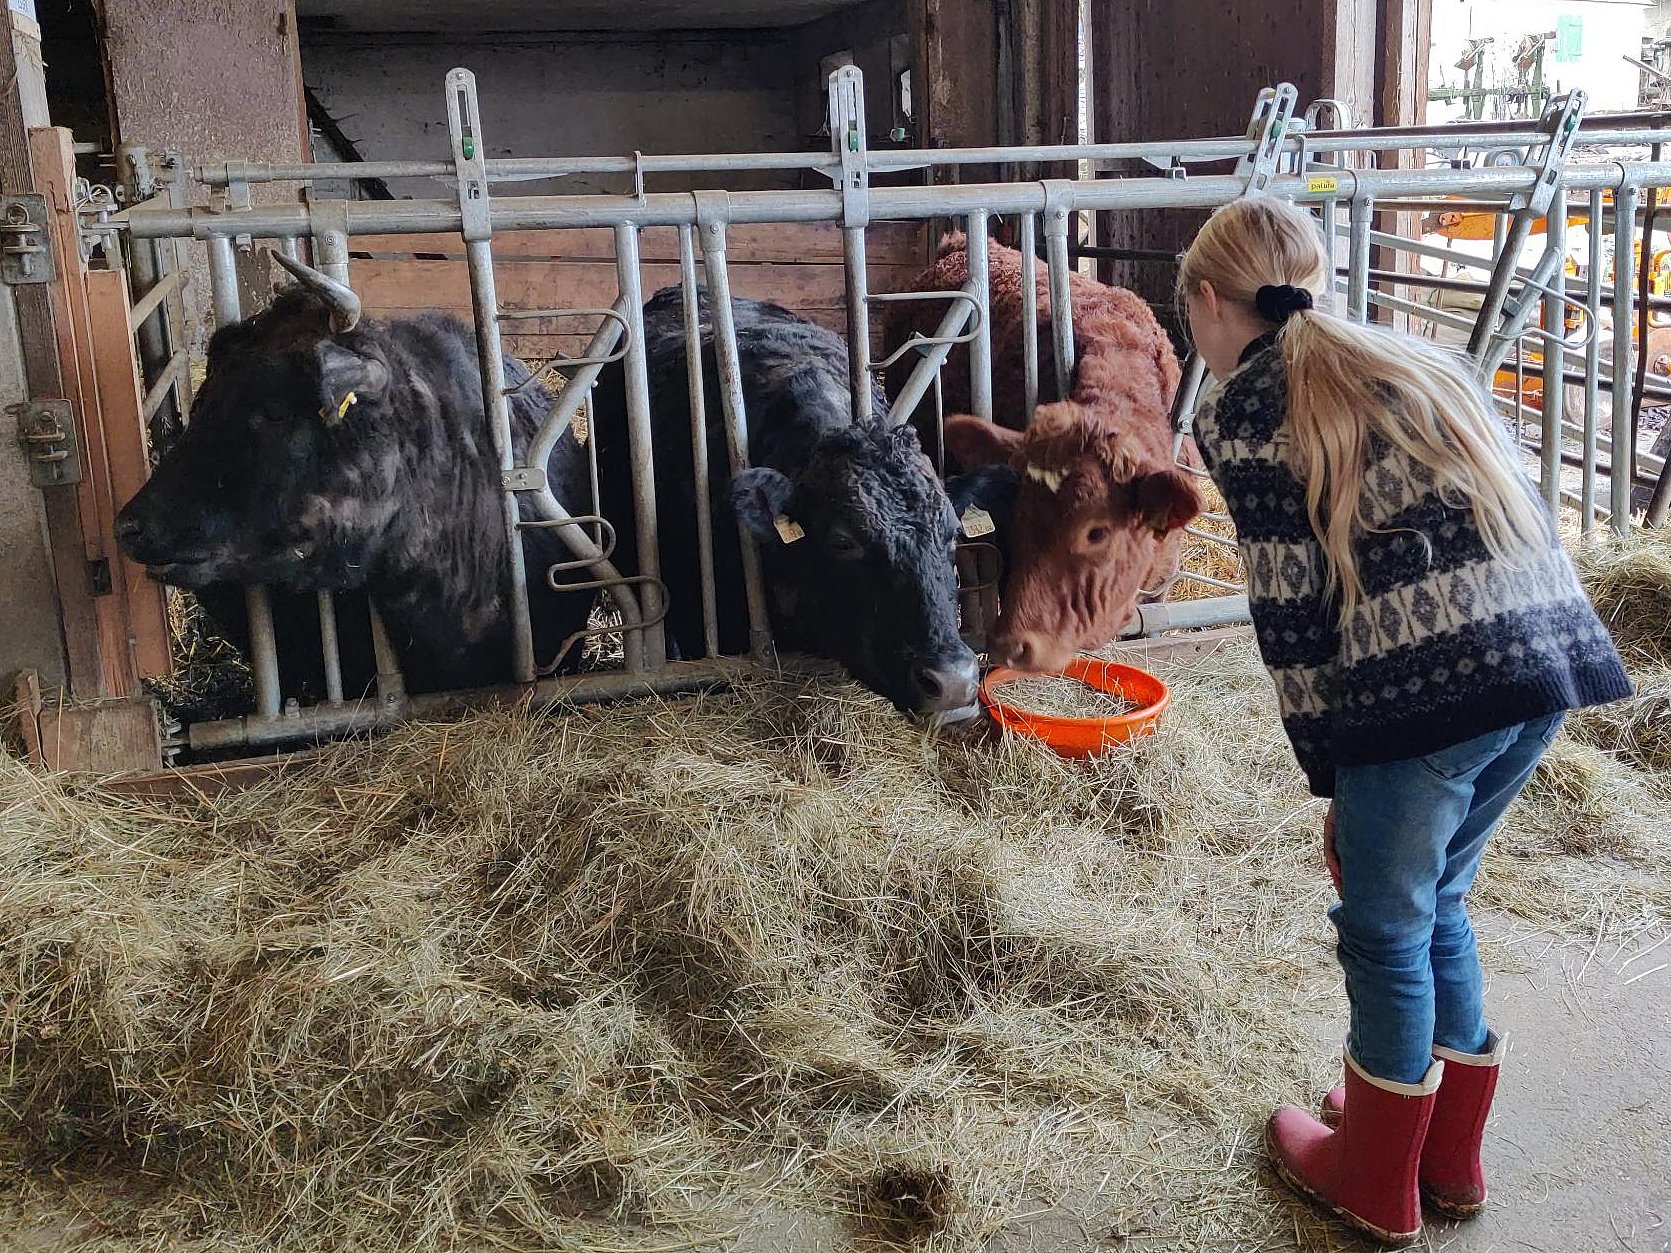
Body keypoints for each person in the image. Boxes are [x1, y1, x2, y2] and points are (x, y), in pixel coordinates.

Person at [1177, 196, 1631, 1248]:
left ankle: (1375, 1175)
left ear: (1208, 302)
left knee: (1382, 924)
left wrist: (1335, 781)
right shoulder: (1408, 357)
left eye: (1187, 317)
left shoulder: (1244, 411)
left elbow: (1291, 615)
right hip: (1545, 661)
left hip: (1428, 684)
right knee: (1440, 899)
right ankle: (1446, 1154)